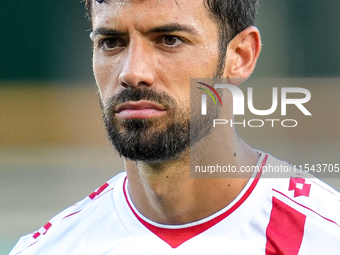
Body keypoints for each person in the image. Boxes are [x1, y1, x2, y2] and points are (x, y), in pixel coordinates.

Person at [10, 0, 340, 254]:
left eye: (169, 39)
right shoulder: (49, 248)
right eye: (111, 42)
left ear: (240, 55)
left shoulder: (325, 237)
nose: (132, 72)